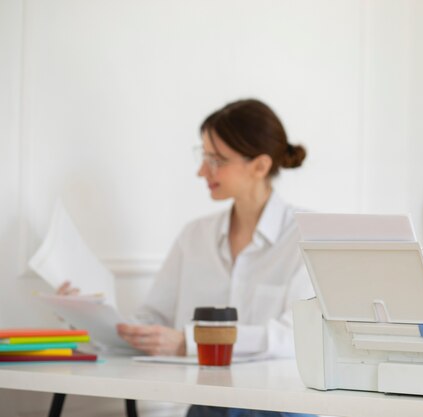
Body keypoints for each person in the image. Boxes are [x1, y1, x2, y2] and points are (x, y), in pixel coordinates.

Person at [59, 98, 316, 417]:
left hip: (281, 408)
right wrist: (88, 316)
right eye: (203, 156)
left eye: (216, 159)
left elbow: (296, 338)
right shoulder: (195, 237)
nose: (201, 171)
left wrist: (192, 343)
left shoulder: (309, 236)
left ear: (260, 166)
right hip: (208, 406)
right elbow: (154, 320)